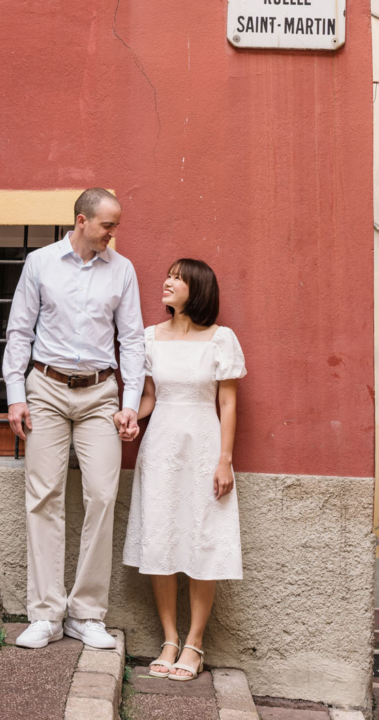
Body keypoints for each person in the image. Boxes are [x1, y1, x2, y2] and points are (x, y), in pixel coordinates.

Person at [3, 188, 145, 650]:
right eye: (107, 225)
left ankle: (86, 614)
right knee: (44, 497)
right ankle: (45, 613)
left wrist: (130, 401)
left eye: (116, 225)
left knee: (103, 496)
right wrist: (15, 394)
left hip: (100, 395)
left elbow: (133, 340)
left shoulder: (122, 271)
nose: (113, 233)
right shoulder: (40, 263)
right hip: (44, 388)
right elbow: (19, 331)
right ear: (82, 221)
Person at [121, 257, 246, 682]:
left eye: (176, 277)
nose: (167, 281)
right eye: (168, 274)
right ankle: (169, 639)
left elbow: (227, 402)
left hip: (205, 446)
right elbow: (151, 398)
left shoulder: (221, 339)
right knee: (160, 536)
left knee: (202, 539)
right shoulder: (150, 338)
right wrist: (130, 418)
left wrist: (225, 459)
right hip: (160, 448)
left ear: (198, 288)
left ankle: (195, 643)